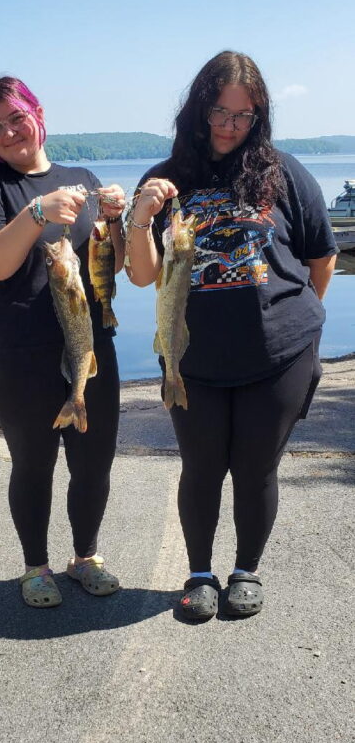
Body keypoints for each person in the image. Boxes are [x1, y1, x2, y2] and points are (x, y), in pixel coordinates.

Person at [126, 51, 337, 621]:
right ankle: (199, 573)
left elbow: (321, 256)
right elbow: (142, 275)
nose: (228, 125)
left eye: (243, 116)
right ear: (197, 108)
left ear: (259, 117)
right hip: (194, 359)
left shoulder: (284, 173)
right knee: (201, 468)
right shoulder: (166, 180)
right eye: (218, 110)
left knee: (256, 467)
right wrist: (142, 216)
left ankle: (246, 569)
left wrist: (295, 323)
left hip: (280, 357)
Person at [0, 76, 126, 608]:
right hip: (20, 355)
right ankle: (35, 567)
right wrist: (36, 213)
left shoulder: (81, 177)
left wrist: (119, 219)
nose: (9, 133)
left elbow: (112, 264)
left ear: (38, 113)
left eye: (15, 118)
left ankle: (85, 557)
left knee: (94, 462)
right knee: (32, 464)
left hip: (90, 350)